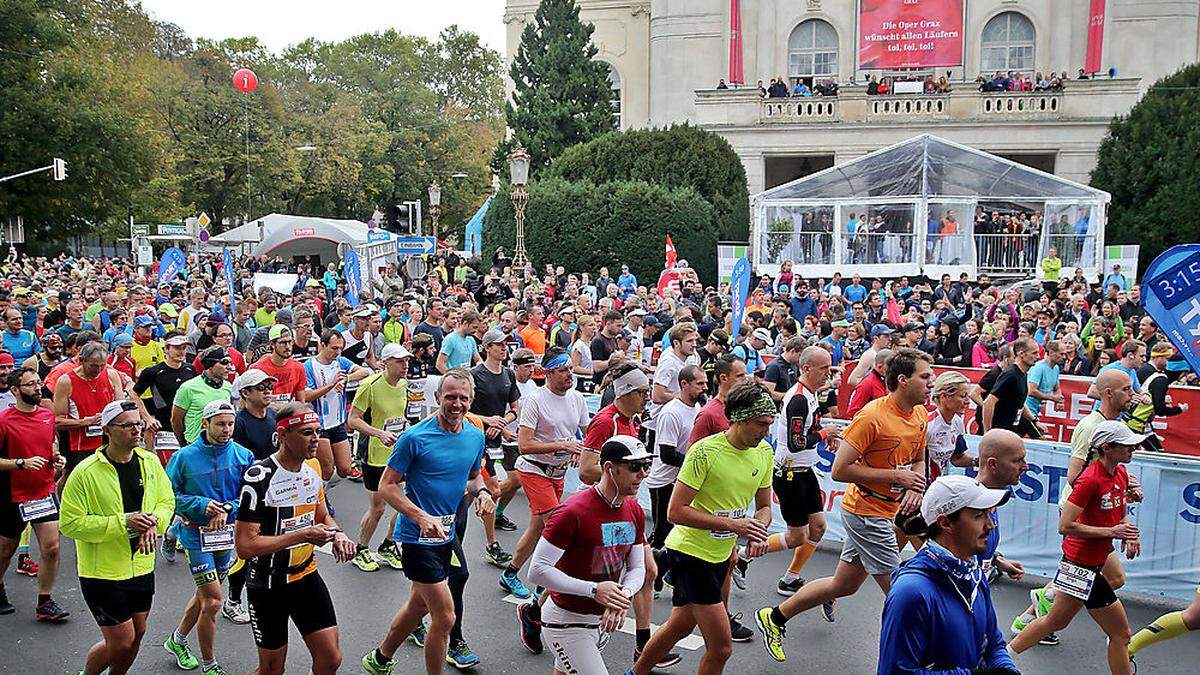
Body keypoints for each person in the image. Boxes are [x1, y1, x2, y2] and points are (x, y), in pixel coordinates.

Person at [755, 348, 933, 662]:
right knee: (899, 593)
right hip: (865, 512)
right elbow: (839, 470)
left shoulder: (919, 414)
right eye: (925, 376)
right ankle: (916, 657)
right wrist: (898, 477)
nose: (931, 382)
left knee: (844, 585)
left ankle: (775, 616)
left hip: (887, 508)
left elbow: (919, 459)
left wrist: (915, 484)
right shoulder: (873, 416)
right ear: (903, 380)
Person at [630, 381, 774, 675]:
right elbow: (675, 511)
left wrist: (758, 528)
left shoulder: (764, 452)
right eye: (761, 424)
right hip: (690, 553)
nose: (766, 432)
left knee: (680, 625)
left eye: (770, 425)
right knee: (721, 647)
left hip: (721, 555)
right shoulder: (704, 452)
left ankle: (635, 672)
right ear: (740, 418)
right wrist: (734, 525)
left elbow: (764, 506)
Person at [361, 369, 494, 675]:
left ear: (471, 400)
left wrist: (484, 492)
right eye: (450, 397)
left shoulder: (474, 435)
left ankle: (380, 658)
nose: (456, 404)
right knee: (445, 617)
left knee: (419, 606)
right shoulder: (414, 438)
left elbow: (473, 477)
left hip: (447, 536)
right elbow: (387, 485)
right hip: (416, 538)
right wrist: (420, 516)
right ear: (437, 398)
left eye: (463, 398)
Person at [1006, 421, 1146, 675]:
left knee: (1055, 621)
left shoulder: (1121, 473)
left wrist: (1129, 533)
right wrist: (1112, 532)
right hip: (1080, 565)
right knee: (1120, 634)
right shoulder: (1089, 480)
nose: (1134, 448)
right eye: (1127, 444)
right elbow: (1065, 525)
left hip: (1089, 565)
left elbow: (1120, 511)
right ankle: (1000, 661)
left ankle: (1001, 660)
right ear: (1106, 448)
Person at [234, 403, 355, 675]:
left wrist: (339, 535)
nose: (315, 439)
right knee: (272, 669)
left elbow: (323, 517)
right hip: (268, 584)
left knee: (330, 659)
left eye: (317, 431)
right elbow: (245, 547)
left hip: (306, 576)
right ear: (283, 434)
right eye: (306, 432)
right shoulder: (259, 477)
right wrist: (301, 535)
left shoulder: (311, 472)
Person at [61, 400, 175, 675]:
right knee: (122, 640)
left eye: (138, 424)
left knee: (138, 633)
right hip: (103, 573)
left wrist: (153, 524)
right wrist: (123, 523)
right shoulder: (85, 472)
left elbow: (166, 501)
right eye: (128, 426)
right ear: (107, 430)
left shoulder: (149, 461)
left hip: (142, 566)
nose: (137, 430)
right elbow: (70, 523)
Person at [528, 435, 652, 675]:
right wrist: (595, 590)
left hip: (600, 624)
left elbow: (638, 568)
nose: (643, 474)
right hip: (566, 623)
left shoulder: (633, 509)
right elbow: (538, 570)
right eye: (634, 467)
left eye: (646, 465)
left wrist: (621, 595)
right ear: (609, 468)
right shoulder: (572, 511)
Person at [877, 475, 1018, 674]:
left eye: (989, 514)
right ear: (945, 523)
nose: (990, 525)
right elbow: (895, 672)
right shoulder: (911, 592)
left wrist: (1007, 669)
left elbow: (994, 644)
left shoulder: (974, 574)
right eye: (979, 516)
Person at [735, 346, 841, 596]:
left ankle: (790, 578)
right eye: (824, 368)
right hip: (790, 474)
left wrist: (826, 434)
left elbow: (808, 430)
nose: (829, 372)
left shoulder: (812, 394)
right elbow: (796, 443)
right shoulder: (798, 399)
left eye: (830, 366)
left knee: (818, 527)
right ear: (806, 369)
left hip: (805, 470)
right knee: (797, 536)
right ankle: (742, 556)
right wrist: (826, 433)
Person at [162, 400, 255, 675]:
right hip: (194, 535)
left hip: (226, 535)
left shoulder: (243, 456)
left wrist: (228, 508)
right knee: (213, 600)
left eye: (230, 424)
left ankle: (177, 640)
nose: (227, 430)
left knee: (204, 595)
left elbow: (250, 497)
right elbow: (168, 496)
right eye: (220, 424)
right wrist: (203, 506)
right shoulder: (184, 457)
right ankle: (209, 664)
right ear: (205, 424)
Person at [500, 348, 590, 600]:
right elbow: (524, 445)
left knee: (536, 530)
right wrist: (564, 445)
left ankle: (510, 573)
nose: (569, 374)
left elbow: (587, 434)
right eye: (562, 370)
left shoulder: (577, 398)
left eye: (570, 368)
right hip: (533, 469)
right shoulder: (535, 400)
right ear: (548, 373)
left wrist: (579, 449)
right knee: (557, 526)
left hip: (557, 473)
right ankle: (547, 583)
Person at [0, 366, 68, 621]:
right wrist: (20, 463)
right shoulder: (4, 420)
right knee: (6, 549)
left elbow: (51, 442)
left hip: (43, 491)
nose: (38, 388)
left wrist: (56, 458)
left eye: (38, 383)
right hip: (12, 494)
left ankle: (45, 601)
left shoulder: (46, 415)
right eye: (30, 385)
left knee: (51, 548)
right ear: (15, 390)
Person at [348, 343, 412, 573]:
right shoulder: (370, 385)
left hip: (397, 453)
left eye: (406, 360)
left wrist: (406, 431)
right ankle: (361, 549)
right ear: (386, 363)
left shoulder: (404, 385)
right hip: (374, 454)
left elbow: (402, 416)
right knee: (378, 508)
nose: (405, 365)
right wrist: (379, 433)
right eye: (400, 361)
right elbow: (353, 420)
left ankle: (388, 544)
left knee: (406, 502)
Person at [468, 329, 519, 567]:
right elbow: (463, 409)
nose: (503, 347)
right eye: (498, 344)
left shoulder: (509, 374)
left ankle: (447, 524)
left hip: (495, 441)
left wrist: (502, 423)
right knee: (492, 491)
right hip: (475, 439)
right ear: (486, 347)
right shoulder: (475, 375)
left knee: (471, 491)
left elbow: (514, 410)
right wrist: (487, 421)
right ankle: (491, 545)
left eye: (505, 344)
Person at [304, 329, 371, 481]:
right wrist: (331, 385)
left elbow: (364, 372)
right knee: (327, 470)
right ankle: (320, 499)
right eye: (334, 348)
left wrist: (346, 379)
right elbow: (307, 395)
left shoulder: (340, 362)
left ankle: (321, 491)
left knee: (345, 469)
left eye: (340, 348)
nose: (338, 352)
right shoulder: (309, 366)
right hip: (320, 424)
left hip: (338, 422)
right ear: (322, 345)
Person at [133, 333, 196, 465]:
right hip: (164, 429)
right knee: (169, 467)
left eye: (184, 348)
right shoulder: (153, 372)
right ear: (166, 349)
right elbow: (134, 394)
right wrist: (147, 417)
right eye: (177, 348)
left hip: (188, 429)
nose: (181, 352)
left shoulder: (190, 369)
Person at [171, 346, 233, 446]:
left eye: (230, 362)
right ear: (210, 365)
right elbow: (176, 421)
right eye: (224, 362)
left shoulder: (228, 386)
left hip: (220, 446)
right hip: (195, 445)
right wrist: (183, 444)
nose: (229, 367)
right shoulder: (188, 387)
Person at [983, 337, 1043, 438]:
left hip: (1011, 431)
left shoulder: (1023, 374)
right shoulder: (1010, 374)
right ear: (1021, 354)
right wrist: (987, 433)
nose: (1038, 357)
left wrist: (1034, 420)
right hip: (999, 433)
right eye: (1034, 353)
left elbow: (1019, 403)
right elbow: (988, 402)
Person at [925, 371, 977, 480]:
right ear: (944, 396)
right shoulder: (928, 426)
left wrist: (980, 461)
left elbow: (957, 458)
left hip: (938, 484)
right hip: (922, 486)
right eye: (963, 396)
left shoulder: (957, 421)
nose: (967, 401)